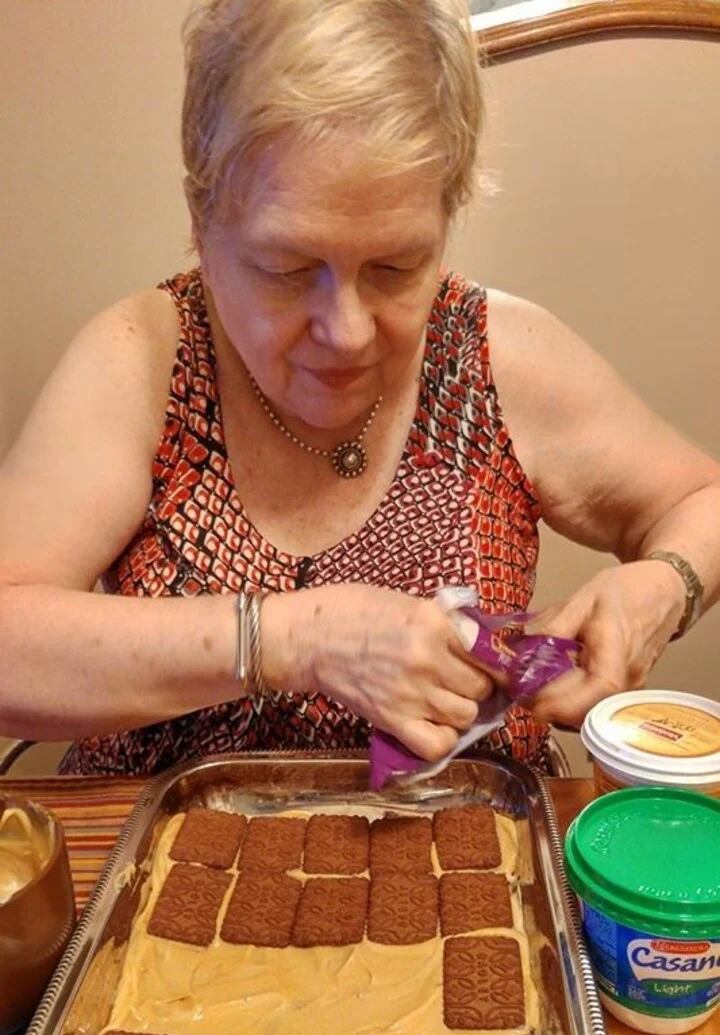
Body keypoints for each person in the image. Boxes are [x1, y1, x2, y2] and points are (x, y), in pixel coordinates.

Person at [0, 0, 718, 778]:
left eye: (396, 267)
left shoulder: (497, 353)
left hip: (478, 860)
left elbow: (701, 500)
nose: (345, 331)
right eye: (286, 269)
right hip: (162, 866)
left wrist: (665, 585)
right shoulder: (143, 360)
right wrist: (296, 638)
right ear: (203, 224)